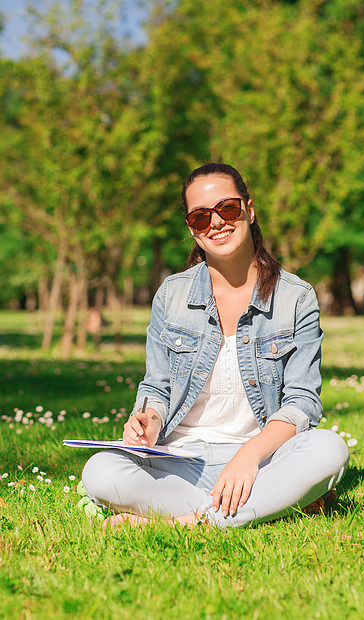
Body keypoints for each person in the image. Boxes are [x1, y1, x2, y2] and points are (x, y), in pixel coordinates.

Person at [82, 163, 349, 529]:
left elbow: (302, 403)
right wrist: (148, 421)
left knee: (329, 448)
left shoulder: (296, 298)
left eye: (227, 208)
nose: (217, 223)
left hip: (261, 462)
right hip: (179, 462)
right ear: (191, 229)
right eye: (200, 217)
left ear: (249, 210)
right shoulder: (171, 295)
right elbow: (156, 387)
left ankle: (183, 522)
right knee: (100, 470)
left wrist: (248, 456)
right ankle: (266, 506)